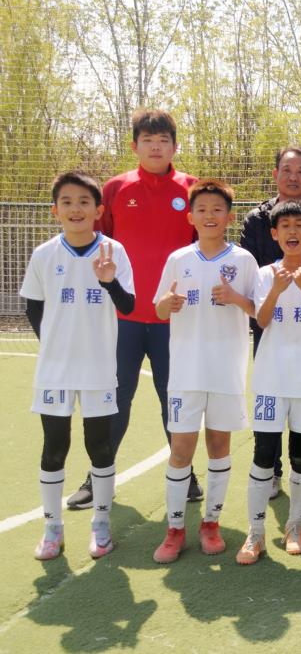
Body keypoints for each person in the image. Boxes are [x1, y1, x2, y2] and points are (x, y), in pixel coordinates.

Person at [67, 110, 198, 511]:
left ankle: (186, 474)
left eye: (163, 140)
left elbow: (204, 250)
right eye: (148, 140)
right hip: (121, 320)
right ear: (134, 145)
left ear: (175, 146)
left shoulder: (191, 188)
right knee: (114, 400)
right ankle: (98, 476)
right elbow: (97, 249)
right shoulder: (115, 188)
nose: (156, 147)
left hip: (173, 320)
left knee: (174, 399)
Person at [22, 172, 136, 560]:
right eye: (67, 202)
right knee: (54, 448)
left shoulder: (114, 252)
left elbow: (128, 305)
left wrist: (108, 282)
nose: (76, 209)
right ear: (55, 210)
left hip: (99, 368)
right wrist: (54, 345)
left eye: (84, 202)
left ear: (98, 210)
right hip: (54, 371)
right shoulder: (44, 254)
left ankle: (100, 524)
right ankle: (52, 528)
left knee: (99, 446)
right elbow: (33, 306)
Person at [151, 180, 258, 563]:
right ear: (190, 216)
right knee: (181, 449)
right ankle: (175, 529)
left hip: (226, 370)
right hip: (186, 371)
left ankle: (211, 523)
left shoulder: (243, 260)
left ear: (229, 216)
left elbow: (259, 310)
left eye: (217, 209)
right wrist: (167, 303)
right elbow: (159, 309)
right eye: (202, 209)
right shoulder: (179, 259)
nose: (209, 216)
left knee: (218, 445)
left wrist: (235, 298)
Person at [239, 146, 301, 498]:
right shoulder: (257, 218)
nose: (294, 177)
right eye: (287, 170)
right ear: (276, 174)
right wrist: (273, 290)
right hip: (271, 317)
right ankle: (271, 471)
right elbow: (250, 268)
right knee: (270, 395)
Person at [236, 202, 301, 565]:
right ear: (274, 234)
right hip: (271, 379)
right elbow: (260, 321)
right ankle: (256, 532)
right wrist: (276, 290)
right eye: (285, 225)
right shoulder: (264, 275)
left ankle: (294, 526)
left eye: (300, 225)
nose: (293, 231)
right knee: (263, 454)